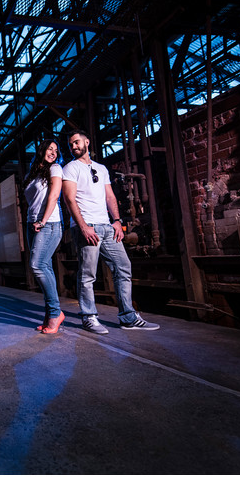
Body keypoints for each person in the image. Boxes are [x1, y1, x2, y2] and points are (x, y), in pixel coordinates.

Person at [61, 129, 159, 333]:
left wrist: (116, 221)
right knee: (88, 274)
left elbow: (110, 197)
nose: (74, 147)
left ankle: (128, 317)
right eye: (71, 145)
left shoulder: (101, 168)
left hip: (107, 227)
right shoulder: (70, 168)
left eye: (77, 142)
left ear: (87, 141)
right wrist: (83, 226)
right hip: (87, 227)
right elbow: (69, 199)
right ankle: (89, 317)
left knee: (123, 267)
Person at [23, 139, 65, 334]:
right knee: (44, 266)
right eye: (50, 149)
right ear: (41, 150)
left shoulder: (55, 168)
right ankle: (50, 316)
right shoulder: (33, 174)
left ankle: (56, 313)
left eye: (56, 150)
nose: (53, 153)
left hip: (48, 223)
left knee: (37, 265)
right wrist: (33, 222)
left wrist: (43, 220)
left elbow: (54, 195)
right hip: (33, 224)